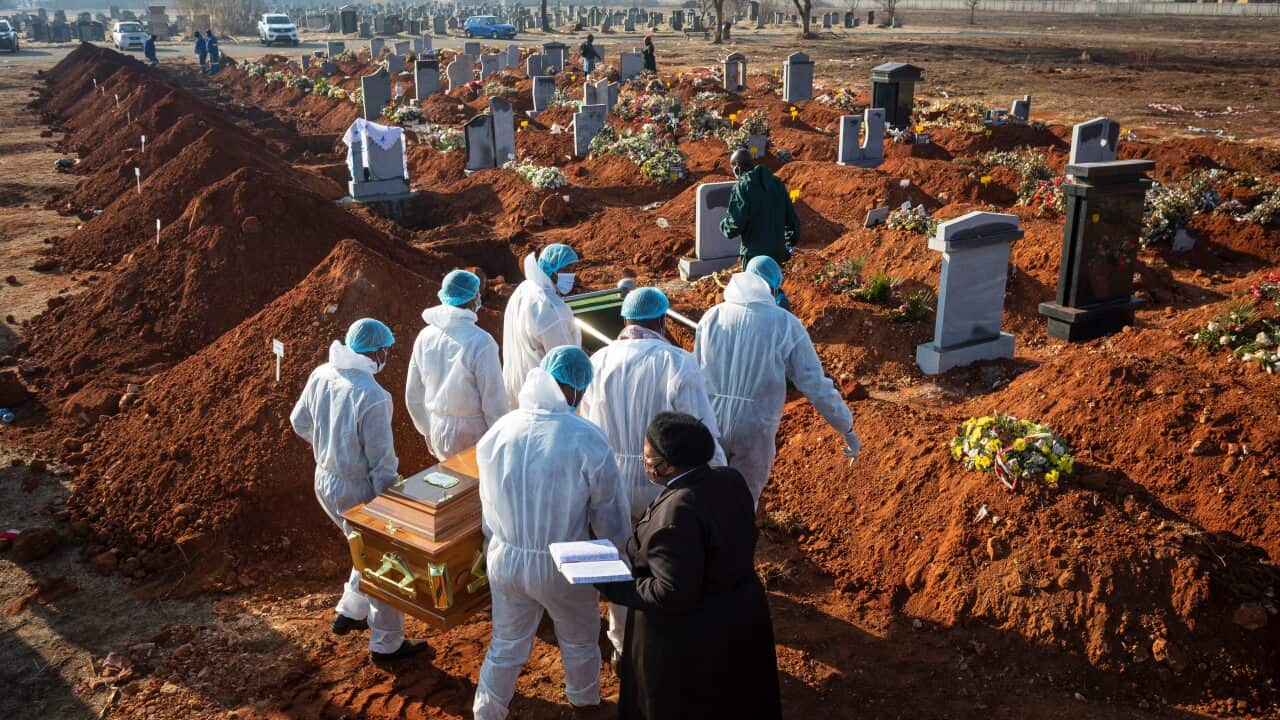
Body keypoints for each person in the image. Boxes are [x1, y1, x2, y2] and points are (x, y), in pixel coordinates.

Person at [472, 346, 630, 720]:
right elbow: (610, 514)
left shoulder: (499, 431)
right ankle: (585, 705)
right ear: (573, 388)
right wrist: (620, 557)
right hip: (565, 561)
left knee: (506, 643)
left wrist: (493, 544)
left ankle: (487, 712)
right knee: (579, 641)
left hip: (505, 556)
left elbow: (487, 505)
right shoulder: (586, 438)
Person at [597, 412, 781, 720]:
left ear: (667, 466)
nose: (646, 465)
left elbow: (671, 592)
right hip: (740, 617)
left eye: (648, 459)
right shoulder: (730, 479)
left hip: (690, 637)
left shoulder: (676, 512)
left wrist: (612, 584)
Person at [578, 287, 726, 659]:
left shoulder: (598, 361)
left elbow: (587, 428)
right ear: (661, 321)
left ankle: (621, 645)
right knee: (667, 562)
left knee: (619, 563)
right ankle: (663, 641)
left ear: (625, 320)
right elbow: (701, 431)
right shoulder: (677, 362)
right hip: (661, 483)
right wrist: (721, 478)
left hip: (609, 484)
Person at [289, 319, 429, 663]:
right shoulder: (373, 396)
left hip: (324, 479)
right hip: (358, 489)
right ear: (377, 352)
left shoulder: (322, 374)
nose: (387, 357)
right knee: (386, 560)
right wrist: (390, 506)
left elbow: (298, 422)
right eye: (386, 351)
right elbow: (382, 463)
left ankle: (351, 610)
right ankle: (387, 643)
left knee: (361, 547)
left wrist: (330, 449)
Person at [694, 270, 860, 506]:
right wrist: (846, 427)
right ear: (771, 288)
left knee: (705, 498)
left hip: (711, 421)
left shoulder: (712, 317)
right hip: (755, 427)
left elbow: (695, 373)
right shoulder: (785, 323)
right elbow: (814, 383)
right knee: (743, 502)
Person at [405, 269, 507, 461]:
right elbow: (494, 402)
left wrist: (428, 430)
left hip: (437, 428)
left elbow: (414, 394)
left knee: (451, 477)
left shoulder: (425, 336)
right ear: (473, 298)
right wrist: (501, 443)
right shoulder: (481, 341)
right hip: (474, 434)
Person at [501, 243, 581, 408]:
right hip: (543, 398)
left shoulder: (525, 289)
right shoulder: (550, 308)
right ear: (552, 272)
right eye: (567, 270)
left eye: (573, 269)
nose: (571, 276)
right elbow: (564, 360)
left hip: (517, 389)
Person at [721, 148, 800, 268]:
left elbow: (737, 223)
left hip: (754, 254)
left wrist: (724, 226)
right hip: (777, 252)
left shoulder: (742, 187)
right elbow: (791, 217)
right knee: (772, 280)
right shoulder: (777, 183)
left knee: (755, 281)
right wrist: (789, 243)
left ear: (737, 167)